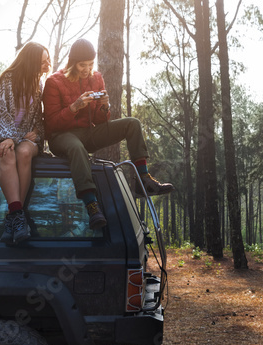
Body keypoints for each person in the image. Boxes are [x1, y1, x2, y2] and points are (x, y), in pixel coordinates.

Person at [44, 38, 173, 229]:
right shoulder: (54, 82)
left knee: (132, 123)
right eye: (82, 65)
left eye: (90, 64)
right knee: (77, 148)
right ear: (72, 63)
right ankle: (91, 204)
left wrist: (104, 107)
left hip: (88, 132)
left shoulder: (96, 78)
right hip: (61, 137)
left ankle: (143, 179)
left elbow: (101, 121)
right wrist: (74, 107)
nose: (87, 69)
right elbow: (51, 123)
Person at [0, 41, 50, 244]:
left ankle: (13, 218)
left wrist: (36, 132)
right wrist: (9, 138)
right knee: (7, 153)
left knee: (24, 153)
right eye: (43, 62)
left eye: (48, 61)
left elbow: (38, 118)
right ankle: (19, 215)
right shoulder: (8, 80)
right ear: (30, 62)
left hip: (23, 138)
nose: (47, 66)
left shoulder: (38, 85)